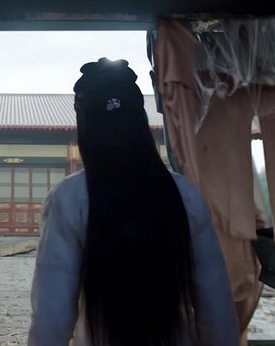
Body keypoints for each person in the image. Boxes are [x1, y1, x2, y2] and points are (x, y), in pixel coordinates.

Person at [28, 58, 238, 346]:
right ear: (140, 122)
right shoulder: (183, 194)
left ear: (86, 127)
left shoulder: (71, 197)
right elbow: (216, 303)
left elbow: (52, 314)